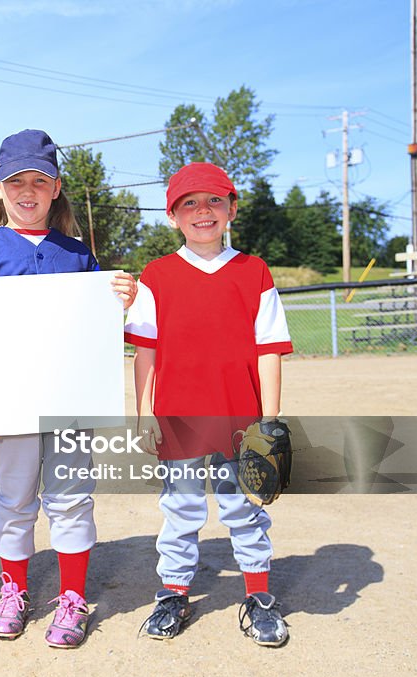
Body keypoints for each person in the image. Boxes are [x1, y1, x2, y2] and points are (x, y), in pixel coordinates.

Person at [0, 129, 137, 648]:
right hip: (9, 399)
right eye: (15, 182)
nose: (27, 191)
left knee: (72, 498)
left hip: (70, 400)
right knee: (14, 499)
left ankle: (73, 597)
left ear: (56, 188)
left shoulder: (78, 255)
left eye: (39, 180)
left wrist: (124, 299)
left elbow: (101, 332)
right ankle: (13, 588)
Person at [123, 162, 293, 647]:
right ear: (173, 216)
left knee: (245, 509)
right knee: (180, 509)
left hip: (240, 419)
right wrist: (144, 411)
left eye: (214, 201)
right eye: (189, 203)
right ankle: (173, 592)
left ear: (231, 209)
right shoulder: (156, 275)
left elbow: (269, 351)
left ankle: (258, 595)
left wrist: (271, 421)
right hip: (177, 417)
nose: (203, 211)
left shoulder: (254, 271)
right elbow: (146, 353)